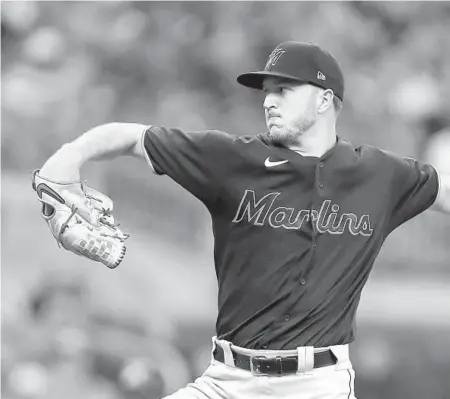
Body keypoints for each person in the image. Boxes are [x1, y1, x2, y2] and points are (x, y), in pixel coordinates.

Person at [39, 41, 450, 399]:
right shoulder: (232, 159)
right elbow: (129, 136)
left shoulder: (380, 175)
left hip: (318, 385)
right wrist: (64, 161)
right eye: (266, 92)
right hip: (227, 381)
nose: (269, 100)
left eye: (284, 90)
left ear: (325, 100)